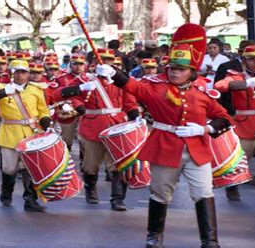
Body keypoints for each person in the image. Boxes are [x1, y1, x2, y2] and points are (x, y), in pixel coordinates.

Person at [101, 24, 232, 248]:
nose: (174, 72)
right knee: (161, 194)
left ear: (191, 71)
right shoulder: (155, 88)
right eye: (172, 68)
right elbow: (134, 87)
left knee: (204, 193)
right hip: (165, 147)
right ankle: (154, 237)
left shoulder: (202, 92)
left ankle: (210, 241)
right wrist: (114, 74)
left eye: (180, 69)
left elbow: (224, 119)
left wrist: (203, 129)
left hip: (196, 149)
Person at [53, 47, 139, 211]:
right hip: (93, 125)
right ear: (93, 63)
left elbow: (129, 101)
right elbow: (61, 95)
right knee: (90, 164)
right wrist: (80, 93)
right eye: (102, 60)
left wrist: (135, 117)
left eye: (108, 60)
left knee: (118, 164)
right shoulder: (84, 79)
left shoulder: (121, 79)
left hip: (117, 126)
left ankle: (117, 199)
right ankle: (90, 190)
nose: (105, 63)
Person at [0, 60, 52, 212]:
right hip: (9, 132)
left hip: (32, 133)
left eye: (23, 72)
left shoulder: (35, 89)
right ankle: (6, 193)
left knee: (30, 168)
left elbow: (43, 110)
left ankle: (30, 200)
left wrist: (46, 123)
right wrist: (3, 92)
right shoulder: (2, 87)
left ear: (28, 74)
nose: (20, 75)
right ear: (11, 73)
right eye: (16, 72)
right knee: (9, 168)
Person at [214, 45, 255, 200]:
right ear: (244, 60)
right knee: (238, 161)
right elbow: (220, 86)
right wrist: (245, 84)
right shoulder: (237, 76)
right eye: (252, 59)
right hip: (244, 125)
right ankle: (232, 187)